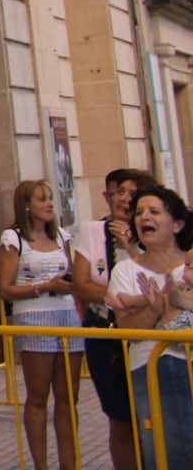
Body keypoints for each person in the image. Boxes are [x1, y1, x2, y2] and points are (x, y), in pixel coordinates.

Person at [0, 179, 83, 470]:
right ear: (26, 206)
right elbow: (6, 288)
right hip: (34, 316)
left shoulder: (61, 235)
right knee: (38, 396)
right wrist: (45, 286)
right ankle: (41, 465)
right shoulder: (13, 239)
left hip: (68, 317)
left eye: (50, 198)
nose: (49, 204)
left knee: (69, 396)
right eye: (41, 199)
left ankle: (69, 464)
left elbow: (73, 276)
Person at [72, 167, 154, 470]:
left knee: (151, 415)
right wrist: (118, 297)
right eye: (119, 192)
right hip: (104, 332)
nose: (124, 199)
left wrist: (132, 249)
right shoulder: (93, 231)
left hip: (146, 332)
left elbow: (159, 279)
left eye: (132, 193)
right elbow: (81, 285)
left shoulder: (153, 232)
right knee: (119, 417)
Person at [107, 185, 193, 470]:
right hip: (154, 368)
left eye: (154, 211)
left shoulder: (191, 264)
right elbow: (129, 330)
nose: (144, 217)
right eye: (140, 213)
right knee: (167, 452)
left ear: (178, 223)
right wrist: (155, 309)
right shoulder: (126, 271)